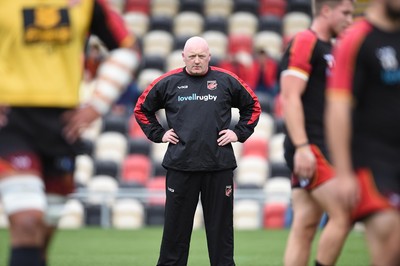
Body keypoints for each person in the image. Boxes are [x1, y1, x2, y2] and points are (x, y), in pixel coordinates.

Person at [0, 1, 140, 266]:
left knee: (43, 231)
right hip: (11, 122)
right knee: (27, 221)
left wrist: (97, 104)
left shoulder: (89, 3)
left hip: (63, 125)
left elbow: (128, 48)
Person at [134, 36, 261, 266]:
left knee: (221, 233)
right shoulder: (168, 82)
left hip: (218, 166)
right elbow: (142, 109)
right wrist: (159, 134)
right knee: (175, 233)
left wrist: (238, 133)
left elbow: (253, 105)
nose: (196, 61)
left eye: (201, 56)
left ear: (209, 57)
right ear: (183, 57)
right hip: (181, 166)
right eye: (191, 56)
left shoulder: (225, 80)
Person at [279, 0, 354, 265]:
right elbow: (290, 97)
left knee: (305, 224)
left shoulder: (332, 48)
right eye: (345, 13)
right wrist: (301, 147)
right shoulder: (305, 41)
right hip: (310, 145)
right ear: (325, 10)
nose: (349, 19)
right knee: (344, 214)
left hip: (320, 145)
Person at [325, 0, 400, 264]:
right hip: (374, 164)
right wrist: (344, 173)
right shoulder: (356, 39)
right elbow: (338, 107)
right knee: (391, 242)